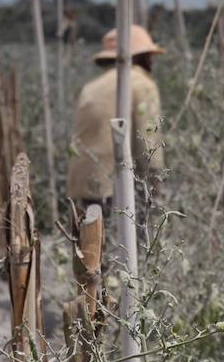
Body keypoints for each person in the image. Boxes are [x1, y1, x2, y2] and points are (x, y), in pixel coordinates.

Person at [65, 25, 166, 218]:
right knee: (130, 244)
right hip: (119, 186)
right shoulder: (142, 84)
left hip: (87, 182)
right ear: (140, 56)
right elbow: (149, 143)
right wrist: (155, 186)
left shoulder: (90, 87)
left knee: (94, 244)